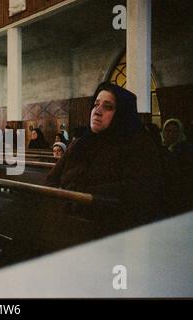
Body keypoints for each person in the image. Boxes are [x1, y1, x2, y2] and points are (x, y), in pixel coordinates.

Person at [45, 82, 161, 237]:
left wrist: (78, 195)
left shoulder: (140, 147)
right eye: (96, 104)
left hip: (108, 230)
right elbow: (51, 179)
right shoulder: (80, 143)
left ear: (122, 114)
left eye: (108, 107)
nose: (97, 111)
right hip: (66, 221)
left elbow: (135, 191)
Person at [160, 118, 193, 214]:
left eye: (174, 131)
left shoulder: (186, 151)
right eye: (168, 131)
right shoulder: (158, 149)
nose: (170, 134)